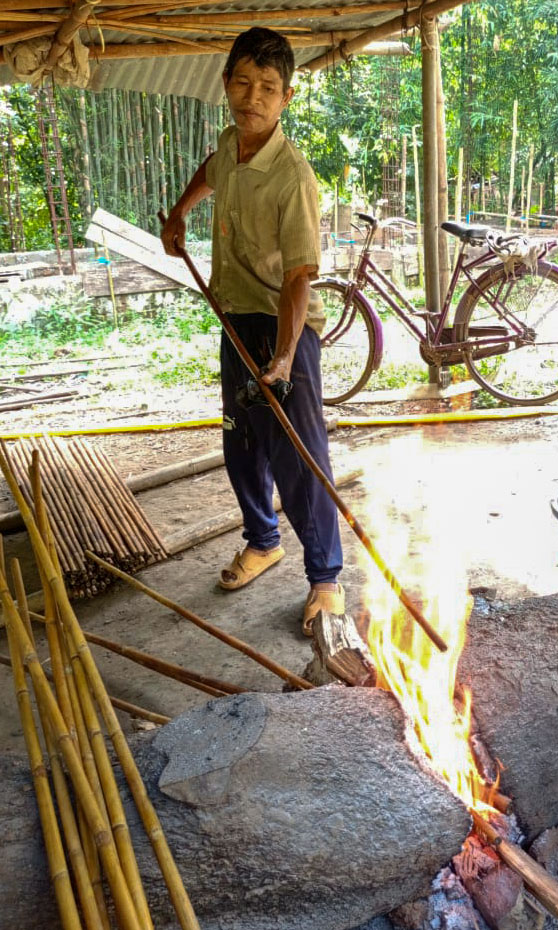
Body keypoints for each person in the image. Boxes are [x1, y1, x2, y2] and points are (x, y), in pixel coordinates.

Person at [161, 26, 344, 636]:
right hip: (234, 315)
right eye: (242, 82)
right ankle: (263, 541)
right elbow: (210, 171)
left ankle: (325, 579)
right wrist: (182, 214)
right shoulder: (230, 145)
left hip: (281, 327)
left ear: (285, 97)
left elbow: (298, 280)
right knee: (241, 442)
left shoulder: (292, 177)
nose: (252, 97)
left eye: (267, 87)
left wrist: (286, 358)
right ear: (226, 85)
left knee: (298, 457)